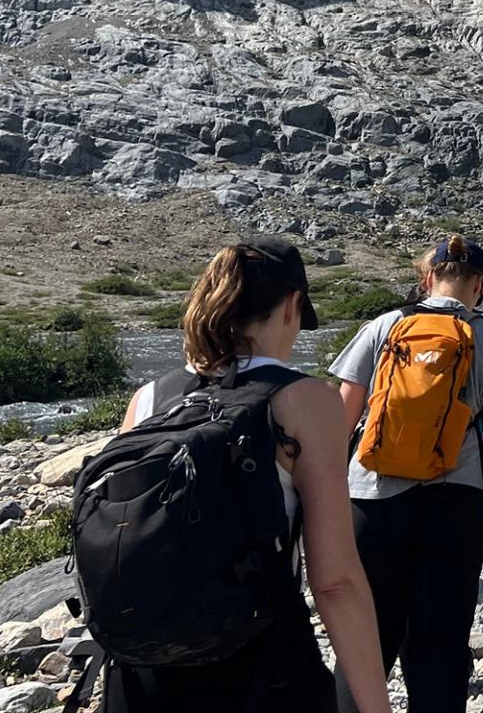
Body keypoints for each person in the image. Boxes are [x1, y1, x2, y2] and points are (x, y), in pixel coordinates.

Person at [103, 239, 392, 713]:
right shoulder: (307, 401)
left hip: (144, 670)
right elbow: (336, 581)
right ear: (292, 306)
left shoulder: (149, 399)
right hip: (261, 666)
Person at [332, 236, 483, 713]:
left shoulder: (383, 327)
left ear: (428, 277)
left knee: (366, 641)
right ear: (478, 286)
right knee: (440, 644)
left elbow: (339, 424)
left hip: (372, 500)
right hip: (457, 506)